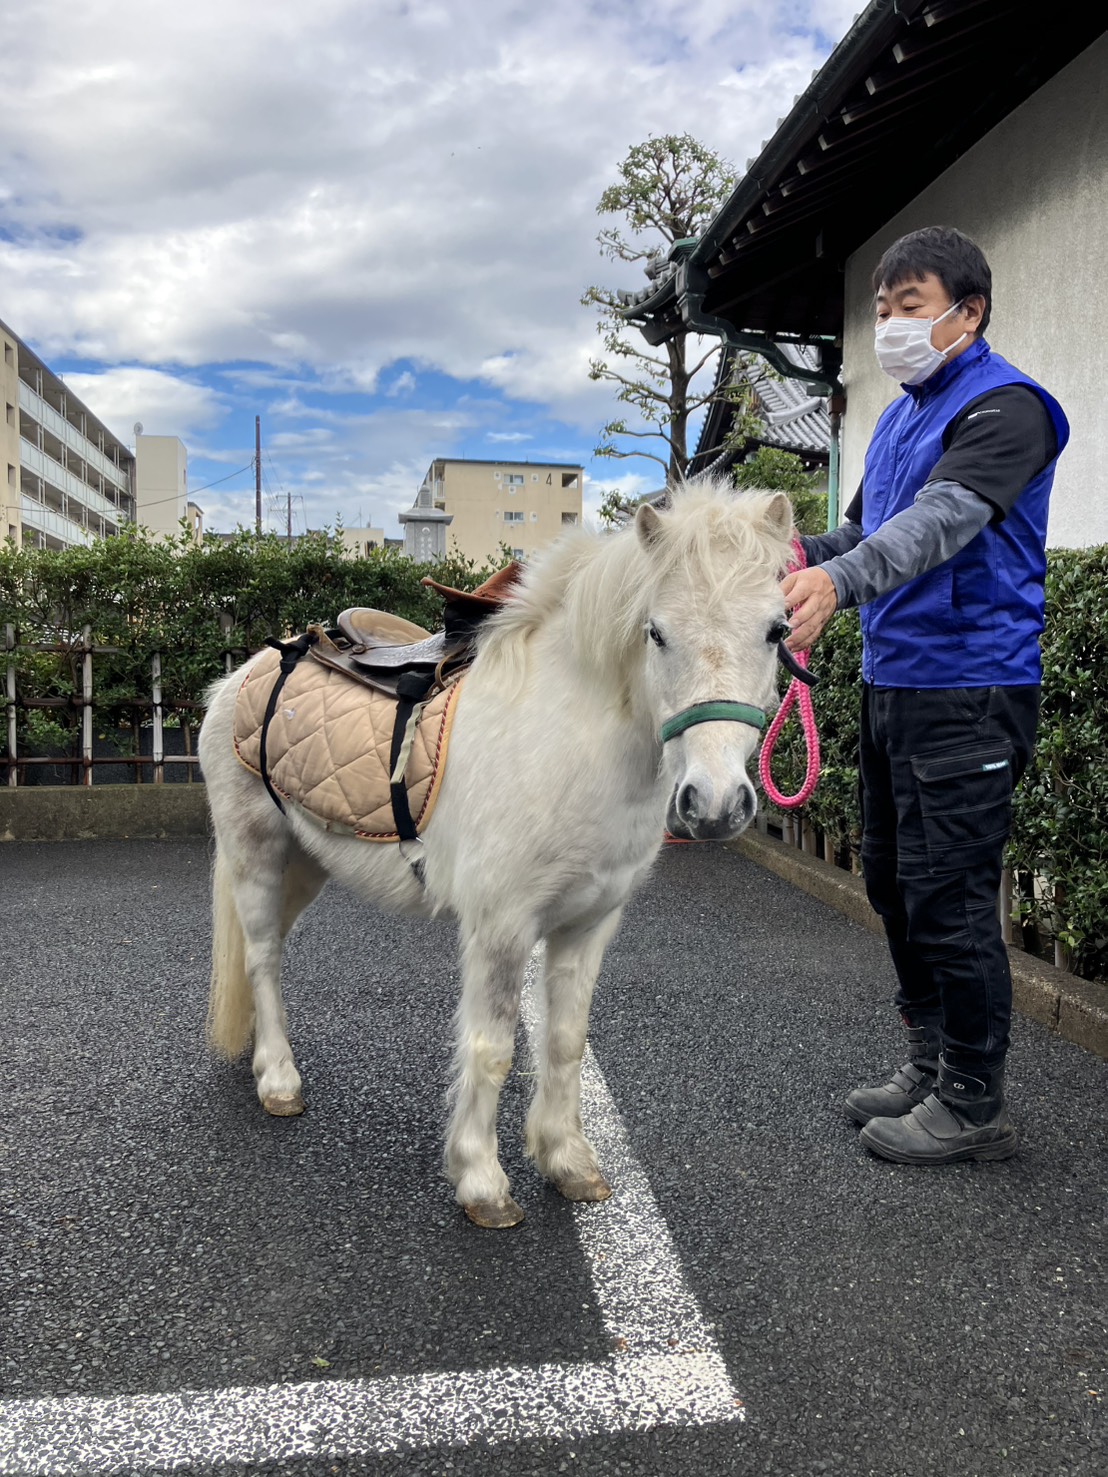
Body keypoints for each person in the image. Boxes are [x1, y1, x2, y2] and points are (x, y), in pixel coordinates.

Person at [781, 225, 1069, 1166]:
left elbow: (939, 523)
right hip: (893, 684)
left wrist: (837, 582)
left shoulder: (1008, 408)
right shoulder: (901, 418)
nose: (889, 327)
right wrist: (783, 555)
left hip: (969, 690)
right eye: (881, 310)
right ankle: (930, 1062)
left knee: (950, 897)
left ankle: (974, 1099)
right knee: (894, 885)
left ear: (967, 312)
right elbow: (861, 533)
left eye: (910, 307)